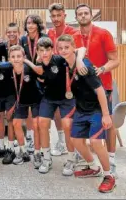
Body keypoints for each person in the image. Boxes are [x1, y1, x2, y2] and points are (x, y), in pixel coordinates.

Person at [56, 34, 115, 193]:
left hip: (97, 108)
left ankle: (109, 176)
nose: (63, 50)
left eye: (67, 47)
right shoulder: (65, 65)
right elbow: (81, 49)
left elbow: (100, 90)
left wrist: (106, 114)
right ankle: (93, 167)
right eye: (60, 48)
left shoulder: (85, 67)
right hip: (82, 109)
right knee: (75, 140)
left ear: (73, 48)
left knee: (96, 142)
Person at [73, 3, 120, 176]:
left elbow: (115, 60)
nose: (83, 16)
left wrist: (102, 69)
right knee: (80, 131)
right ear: (76, 17)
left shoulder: (103, 34)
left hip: (103, 87)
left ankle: (111, 159)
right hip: (82, 92)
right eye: (80, 14)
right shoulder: (74, 36)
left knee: (107, 124)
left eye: (86, 13)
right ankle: (92, 163)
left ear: (91, 15)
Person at [29, 37, 86, 175]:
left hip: (67, 98)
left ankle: (71, 159)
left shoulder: (60, 59)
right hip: (49, 98)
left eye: (47, 50)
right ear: (37, 51)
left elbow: (81, 49)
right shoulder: (38, 65)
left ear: (52, 50)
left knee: (67, 125)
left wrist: (79, 60)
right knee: (42, 123)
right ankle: (47, 158)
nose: (44, 53)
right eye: (41, 50)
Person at [47, 3, 79, 157]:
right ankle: (61, 142)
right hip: (56, 78)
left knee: (71, 115)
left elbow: (79, 54)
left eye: (59, 15)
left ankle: (76, 145)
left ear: (65, 15)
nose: (56, 19)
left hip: (71, 78)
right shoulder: (49, 33)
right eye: (53, 16)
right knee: (56, 113)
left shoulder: (74, 32)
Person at [18, 14, 48, 153]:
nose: (30, 25)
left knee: (42, 113)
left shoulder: (43, 38)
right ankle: (30, 138)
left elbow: (44, 58)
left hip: (43, 76)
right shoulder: (22, 39)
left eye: (33, 23)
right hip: (28, 77)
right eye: (28, 23)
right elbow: (20, 57)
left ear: (38, 25)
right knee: (30, 110)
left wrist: (29, 61)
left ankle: (44, 141)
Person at [9, 45, 41, 167]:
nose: (16, 59)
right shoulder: (8, 70)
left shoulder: (29, 68)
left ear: (24, 57)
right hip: (20, 101)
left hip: (35, 100)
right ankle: (23, 151)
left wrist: (28, 62)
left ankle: (37, 153)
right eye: (13, 57)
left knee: (36, 125)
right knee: (16, 123)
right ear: (9, 58)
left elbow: (40, 71)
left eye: (19, 56)